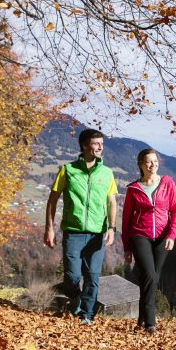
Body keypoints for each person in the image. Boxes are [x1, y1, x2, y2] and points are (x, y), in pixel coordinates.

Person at [43, 128, 118, 325]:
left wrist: (112, 228)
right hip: (73, 233)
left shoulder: (107, 173)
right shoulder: (67, 170)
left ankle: (87, 315)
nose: (100, 147)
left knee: (93, 277)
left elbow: (112, 202)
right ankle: (75, 301)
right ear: (84, 146)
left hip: (96, 235)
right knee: (72, 276)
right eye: (96, 143)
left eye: (102, 143)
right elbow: (52, 200)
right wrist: (49, 228)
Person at [121, 148, 176, 333]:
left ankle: (140, 319)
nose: (153, 164)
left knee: (151, 279)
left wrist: (171, 235)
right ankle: (151, 323)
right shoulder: (133, 189)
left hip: (163, 237)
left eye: (155, 161)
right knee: (150, 275)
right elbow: (126, 218)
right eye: (148, 161)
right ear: (141, 164)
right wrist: (127, 247)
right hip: (140, 234)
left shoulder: (167, 183)